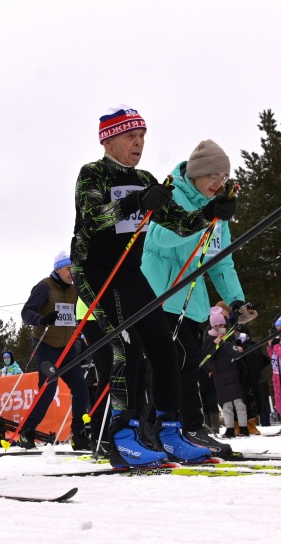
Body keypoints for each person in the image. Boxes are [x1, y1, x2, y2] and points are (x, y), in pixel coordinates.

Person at [69, 106, 236, 467]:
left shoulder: (145, 176)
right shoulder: (92, 174)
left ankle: (169, 431)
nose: (139, 143)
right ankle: (121, 437)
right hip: (96, 271)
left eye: (142, 136)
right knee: (125, 348)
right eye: (131, 136)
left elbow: (177, 222)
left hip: (130, 273)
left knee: (164, 348)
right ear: (108, 140)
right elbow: (93, 218)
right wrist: (135, 202)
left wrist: (210, 213)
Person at [140, 140, 246, 453]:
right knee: (169, 363)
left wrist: (237, 300)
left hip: (191, 302)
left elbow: (221, 260)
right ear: (196, 175)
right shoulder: (172, 195)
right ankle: (164, 428)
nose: (218, 182)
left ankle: (187, 428)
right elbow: (160, 237)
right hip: (159, 294)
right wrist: (203, 215)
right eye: (212, 174)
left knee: (187, 365)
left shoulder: (219, 212)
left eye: (223, 176)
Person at [18, 252, 91, 448]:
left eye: (74, 269)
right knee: (48, 389)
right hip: (46, 345)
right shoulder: (44, 287)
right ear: (58, 268)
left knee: (81, 389)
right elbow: (26, 312)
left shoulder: (75, 288)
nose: (72, 272)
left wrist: (83, 336)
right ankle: (27, 430)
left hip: (67, 348)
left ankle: (79, 433)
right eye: (68, 268)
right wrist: (42, 319)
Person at [202, 306, 249, 437]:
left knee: (240, 403)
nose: (219, 328)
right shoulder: (209, 338)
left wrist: (240, 347)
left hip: (234, 372)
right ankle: (229, 428)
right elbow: (205, 355)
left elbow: (243, 339)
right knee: (226, 405)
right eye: (216, 325)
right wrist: (214, 344)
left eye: (221, 324)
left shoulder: (231, 334)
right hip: (219, 375)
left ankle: (243, 427)